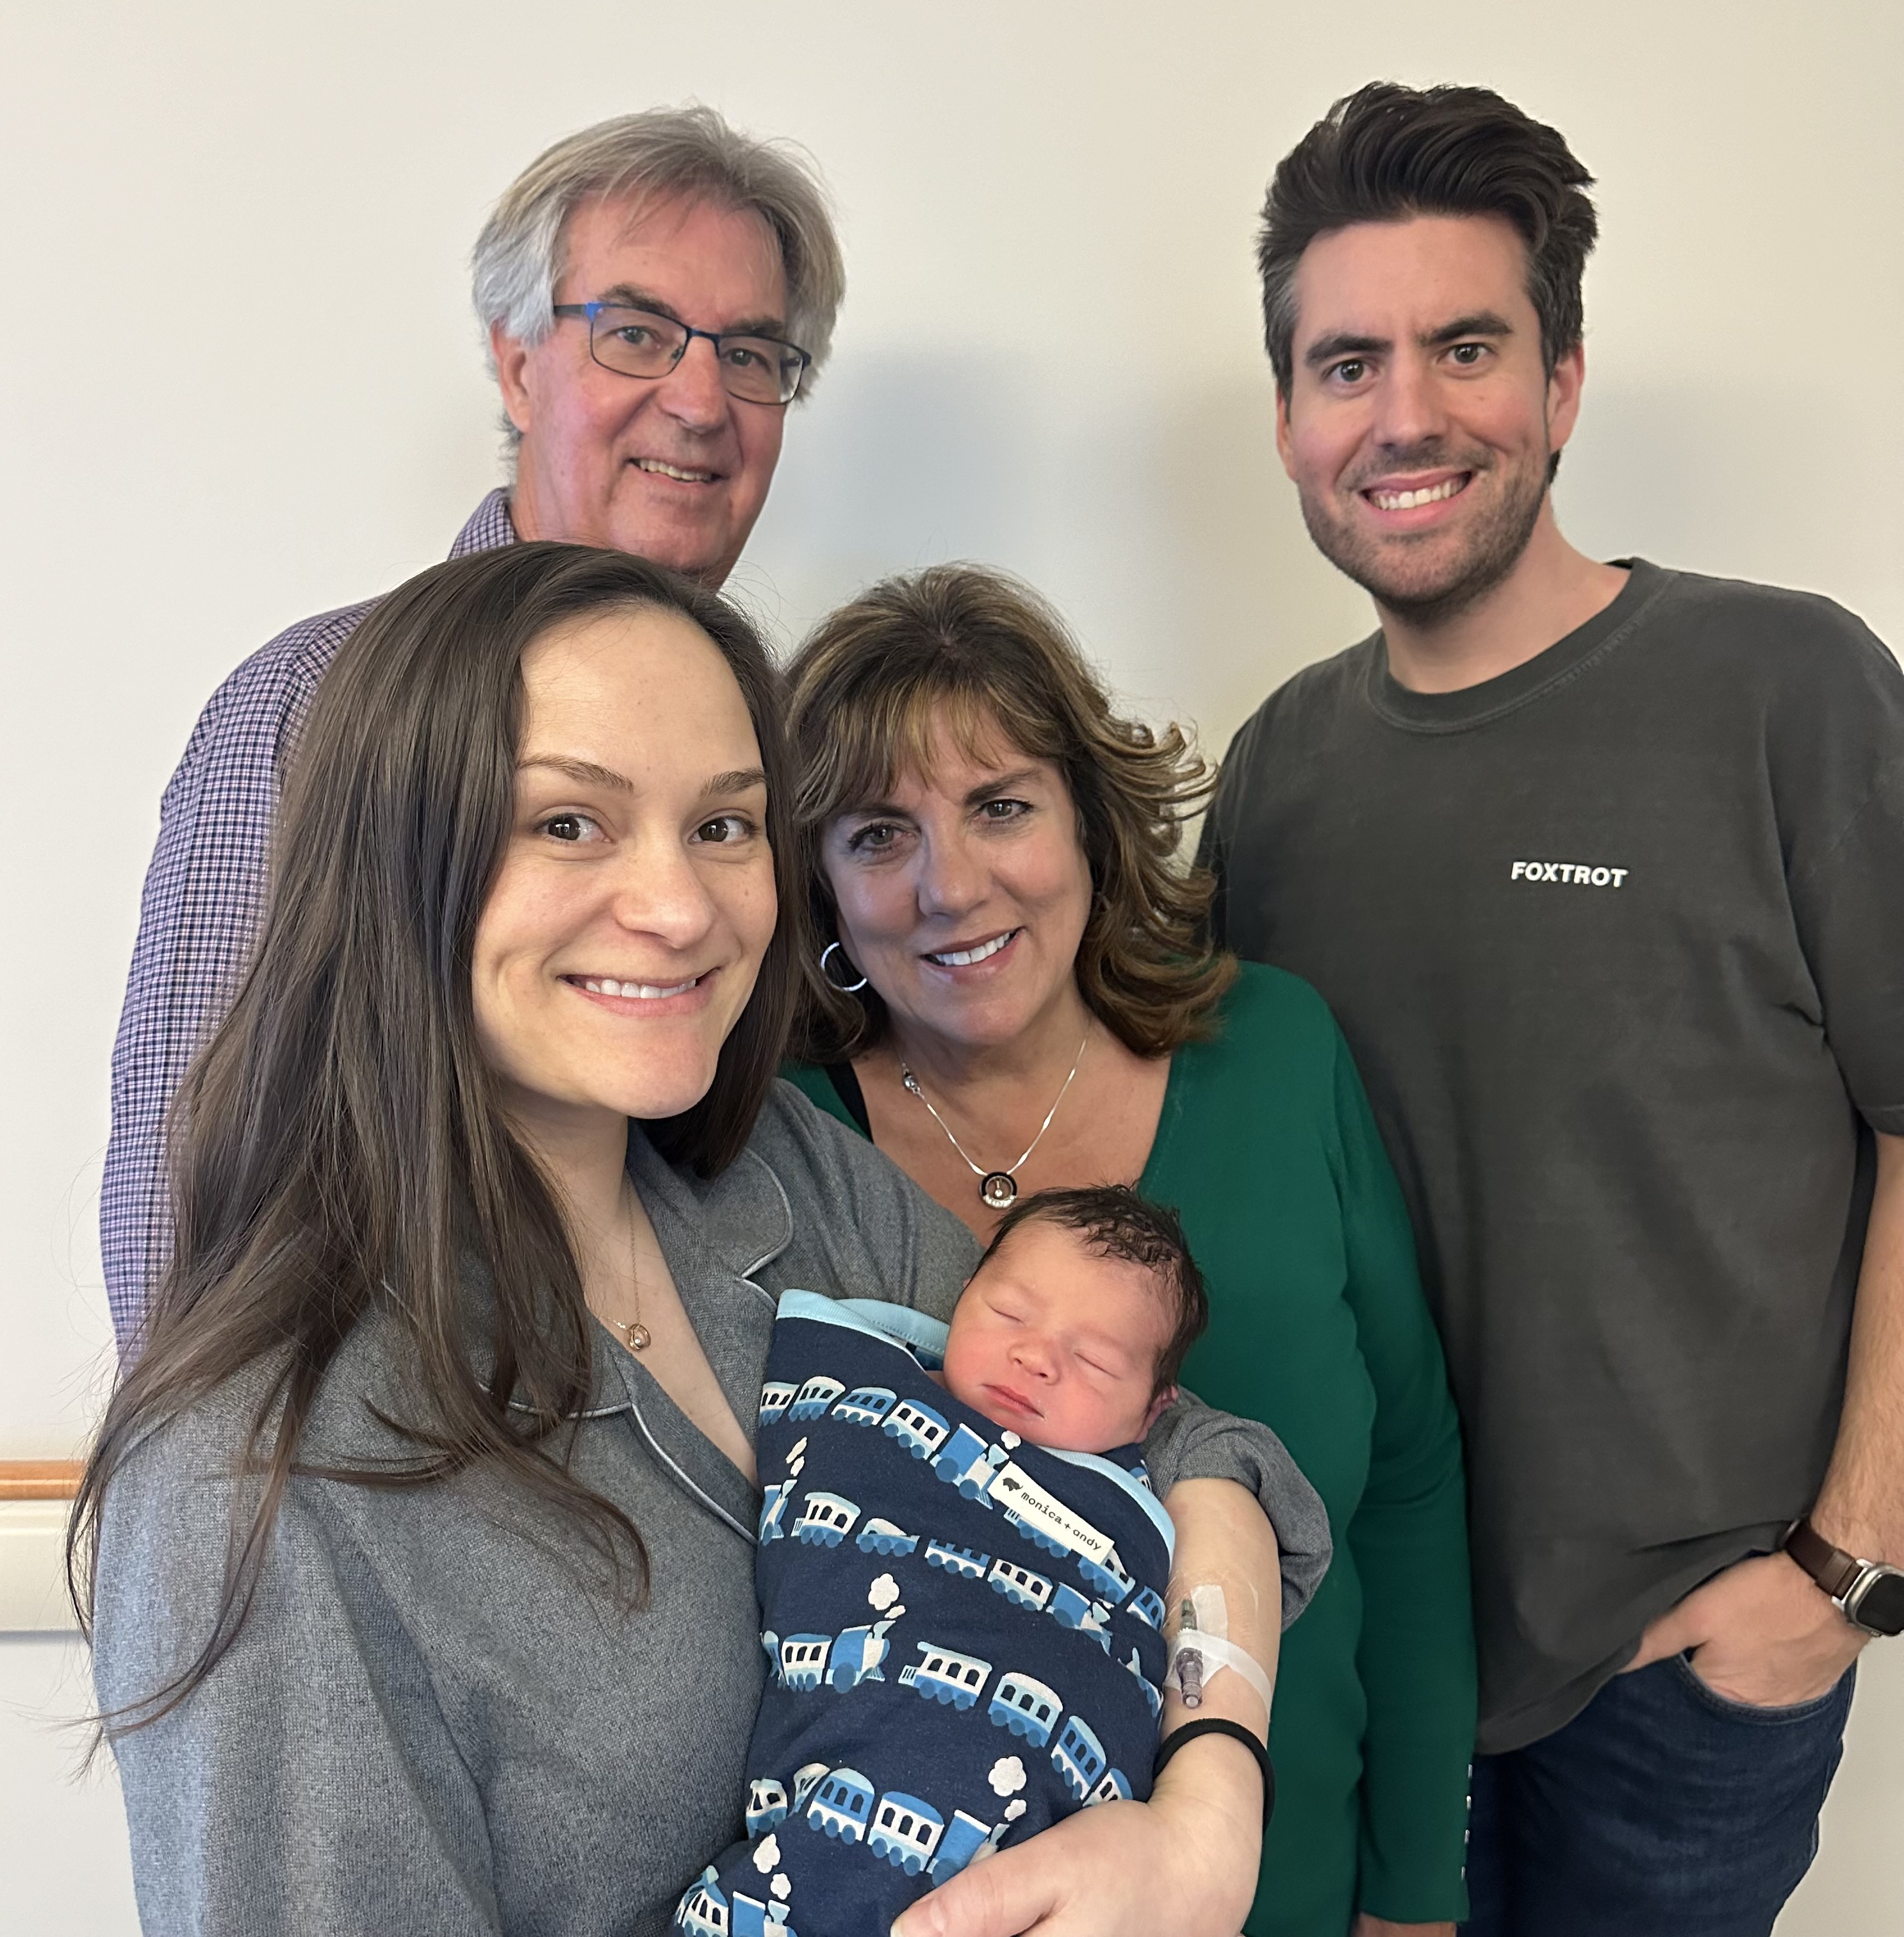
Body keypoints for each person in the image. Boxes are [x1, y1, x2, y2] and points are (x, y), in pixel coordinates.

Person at [76, 542, 1297, 1937]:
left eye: (724, 826)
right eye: (569, 824)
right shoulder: (262, 1474)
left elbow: (1185, 1454)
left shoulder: (785, 1184)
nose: (677, 908)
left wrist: (1210, 1802)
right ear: (394, 858)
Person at [1198, 80, 1904, 1936]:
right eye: (1347, 363)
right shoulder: (1275, 777)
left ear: (1564, 381)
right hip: (1362, 1651)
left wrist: (1847, 1566)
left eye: (1466, 347)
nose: (1406, 413)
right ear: (1288, 416)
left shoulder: (1787, 689)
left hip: (1681, 1677)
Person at [782, 563, 1477, 1937]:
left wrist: (1415, 1891)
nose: (949, 886)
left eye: (1000, 808)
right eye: (877, 835)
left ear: (1092, 821)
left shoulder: (1277, 1054)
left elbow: (1407, 1484)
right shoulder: (769, 1145)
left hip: (1289, 1885)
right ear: (817, 884)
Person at [101, 102, 844, 1352]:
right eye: (638, 332)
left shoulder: (784, 738)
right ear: (515, 363)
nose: (704, 398)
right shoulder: (315, 700)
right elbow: (195, 1198)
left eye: (755, 353)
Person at [694, 1187, 1329, 1935]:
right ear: (963, 1297)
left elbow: (1233, 1458)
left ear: (1157, 1408)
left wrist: (1209, 1810)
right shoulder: (867, 1383)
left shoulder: (1137, 1496)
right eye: (1009, 1315)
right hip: (834, 1793)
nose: (1035, 1357)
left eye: (1093, 1360)